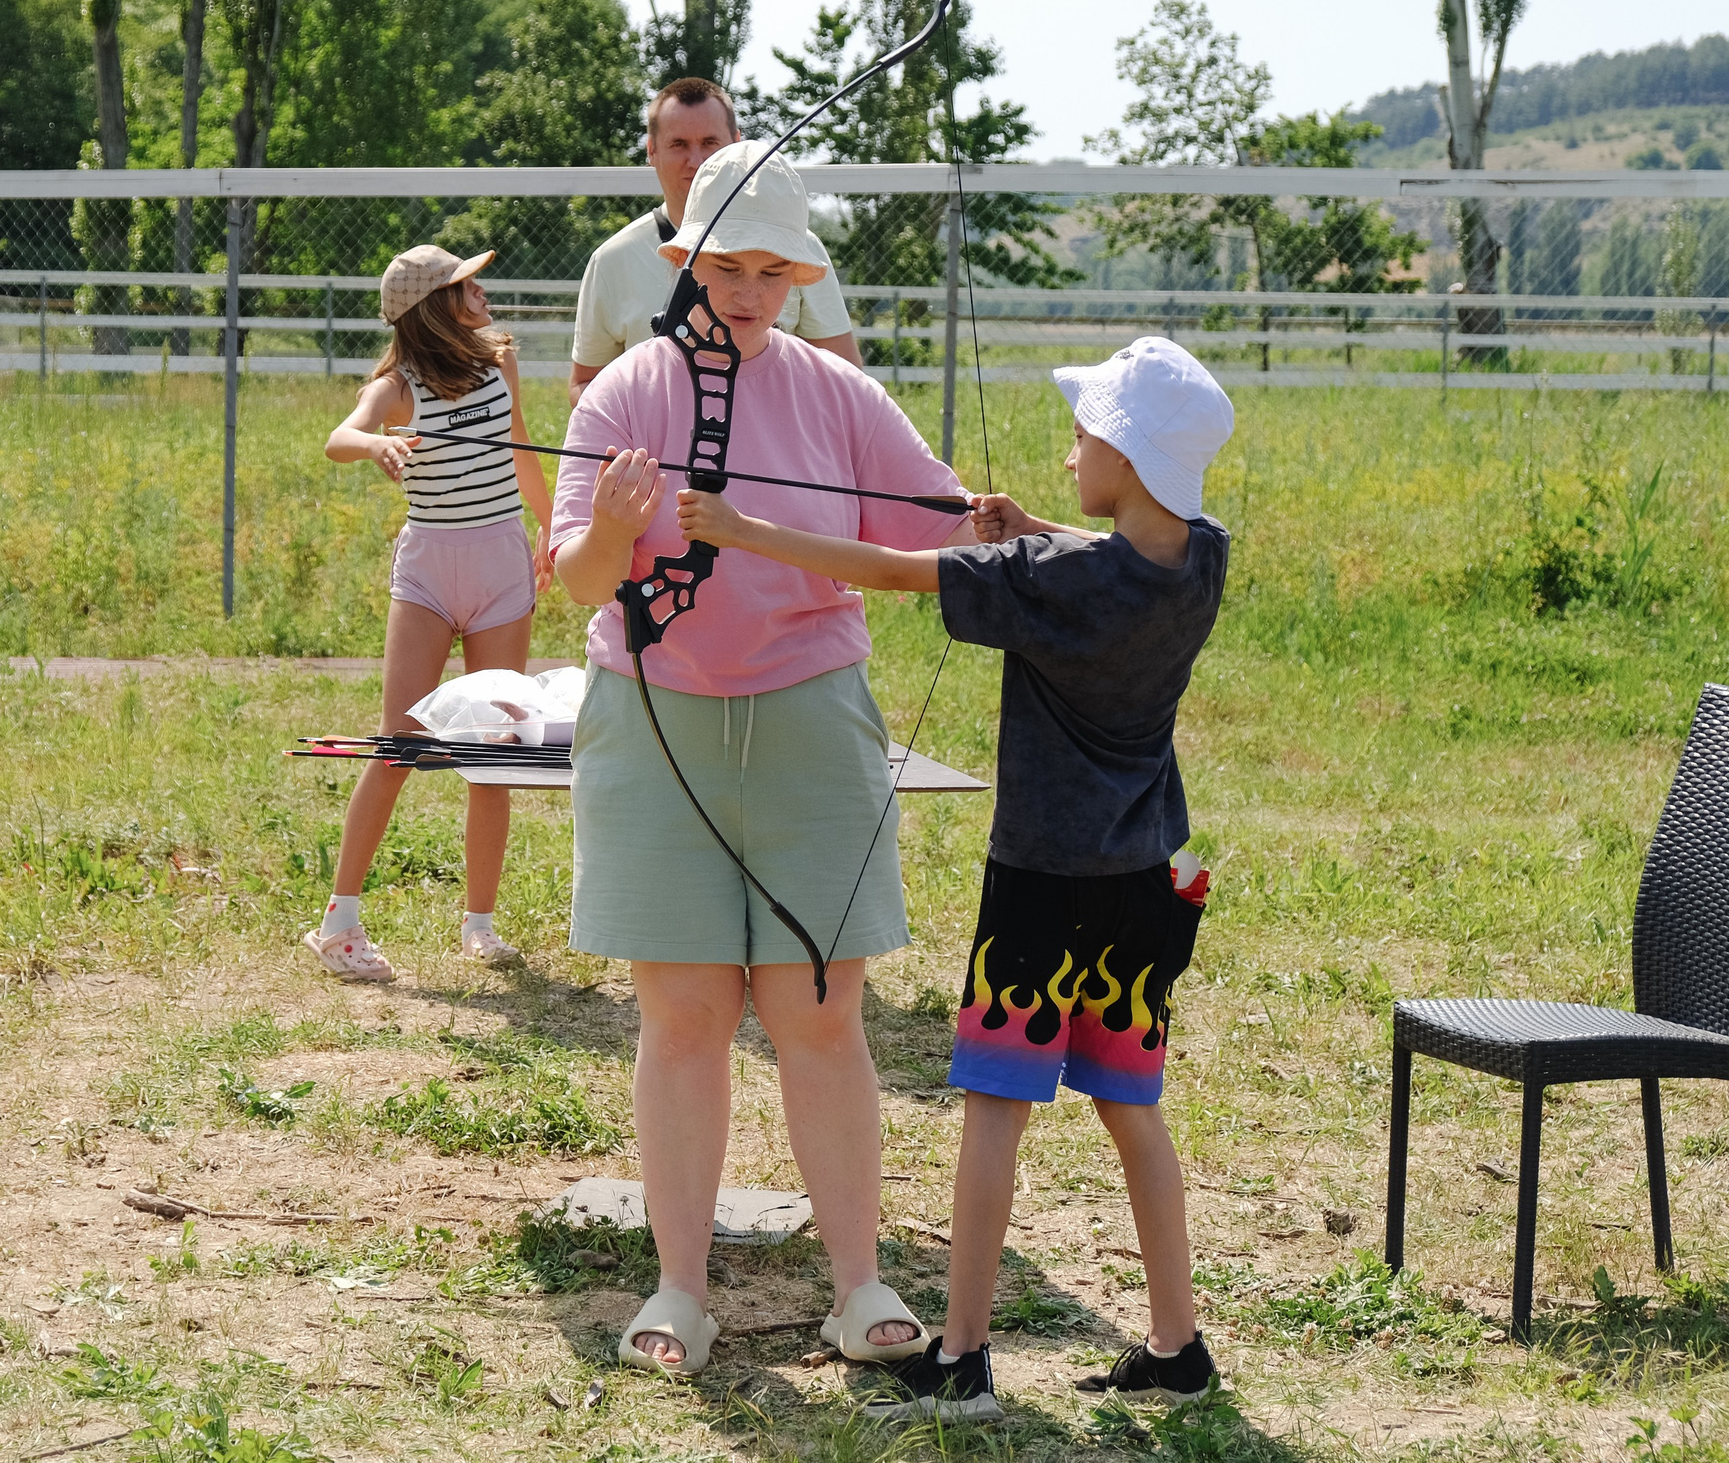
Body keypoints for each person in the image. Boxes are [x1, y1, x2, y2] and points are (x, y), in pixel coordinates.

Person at [672, 336, 1237, 1422]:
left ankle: (964, 1357)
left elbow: (886, 569)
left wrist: (741, 528)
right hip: (1146, 884)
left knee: (994, 1111)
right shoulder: (1200, 554)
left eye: (1084, 434)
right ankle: (1176, 1345)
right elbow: (1116, 554)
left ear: (1122, 448)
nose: (1071, 447)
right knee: (1131, 1107)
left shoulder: (1051, 581)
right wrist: (1033, 532)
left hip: (1040, 890)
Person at [551, 141, 971, 1376]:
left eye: (769, 273)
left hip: (809, 715)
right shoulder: (621, 393)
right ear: (682, 264)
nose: (744, 293)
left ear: (797, 279)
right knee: (681, 1012)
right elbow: (574, 573)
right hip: (654, 717)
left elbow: (934, 522)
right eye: (722, 268)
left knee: (818, 1010)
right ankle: (680, 1286)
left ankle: (859, 1285)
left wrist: (1032, 538)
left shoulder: (839, 394)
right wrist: (619, 528)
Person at [312, 245, 555, 983]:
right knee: (397, 748)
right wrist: (377, 443)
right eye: (463, 284)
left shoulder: (500, 361)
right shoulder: (399, 385)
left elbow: (520, 453)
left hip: (501, 573)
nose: (479, 290)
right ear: (432, 310)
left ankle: (479, 927)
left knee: (495, 753)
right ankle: (338, 924)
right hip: (428, 576)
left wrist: (553, 529)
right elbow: (339, 437)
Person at [566, 78, 859, 410]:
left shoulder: (797, 248)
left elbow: (846, 380)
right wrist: (635, 433)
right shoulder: (611, 260)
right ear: (651, 150)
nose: (696, 160)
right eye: (678, 144)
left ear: (737, 143)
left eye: (710, 142)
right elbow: (584, 382)